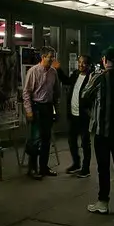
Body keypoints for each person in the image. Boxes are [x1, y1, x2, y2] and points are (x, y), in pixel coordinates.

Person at [84, 48, 114, 214]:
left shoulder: (98, 77)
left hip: (102, 131)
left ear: (104, 60)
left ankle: (103, 201)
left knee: (103, 167)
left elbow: (85, 96)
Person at [23, 46, 61, 180]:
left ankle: (44, 167)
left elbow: (56, 92)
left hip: (48, 107)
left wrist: (56, 110)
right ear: (43, 57)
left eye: (53, 57)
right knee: (36, 139)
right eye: (50, 57)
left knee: (46, 139)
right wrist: (29, 111)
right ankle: (32, 168)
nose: (52, 59)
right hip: (36, 107)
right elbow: (26, 92)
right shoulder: (33, 71)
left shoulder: (53, 72)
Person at [58, 54, 93, 178]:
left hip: (84, 115)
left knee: (85, 142)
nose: (81, 65)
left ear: (88, 64)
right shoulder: (76, 74)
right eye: (79, 62)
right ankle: (76, 163)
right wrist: (58, 69)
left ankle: (85, 168)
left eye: (83, 63)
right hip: (73, 114)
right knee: (71, 140)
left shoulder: (91, 77)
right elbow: (66, 81)